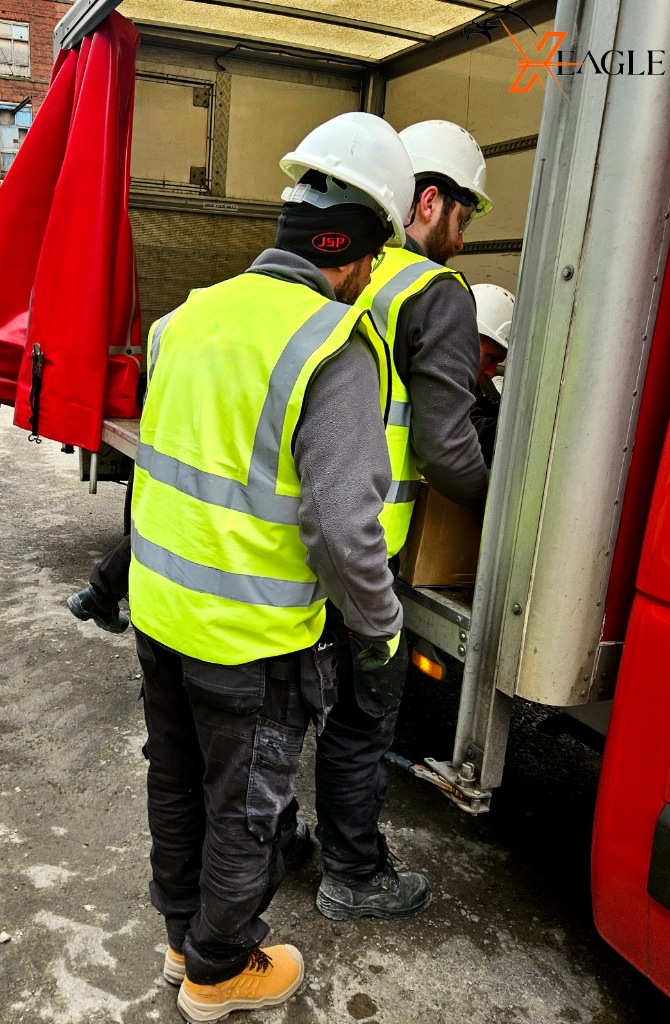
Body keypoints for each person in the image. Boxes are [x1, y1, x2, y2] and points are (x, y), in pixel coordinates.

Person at [128, 112, 414, 1023]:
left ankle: (182, 940)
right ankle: (217, 971)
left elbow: (168, 473)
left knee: (174, 784)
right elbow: (342, 528)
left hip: (161, 615)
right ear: (360, 250)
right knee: (245, 810)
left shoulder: (186, 318)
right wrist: (379, 629)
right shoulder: (332, 343)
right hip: (249, 642)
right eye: (374, 259)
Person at [310, 119, 493, 922]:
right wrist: (502, 515)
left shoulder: (347, 267)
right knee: (363, 713)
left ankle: (289, 840)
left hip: (304, 532)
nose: (465, 231)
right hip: (371, 548)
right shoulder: (438, 296)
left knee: (295, 705)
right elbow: (448, 450)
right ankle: (351, 872)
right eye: (466, 213)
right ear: (430, 200)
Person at [469, 282, 515, 466]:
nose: (491, 371)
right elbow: (471, 432)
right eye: (490, 357)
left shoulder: (478, 379)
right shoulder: (438, 378)